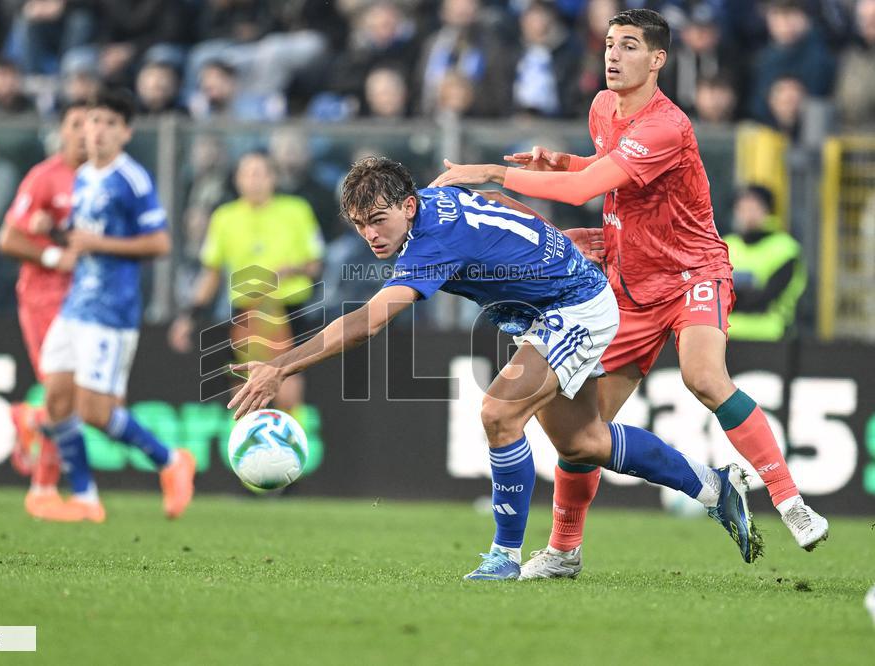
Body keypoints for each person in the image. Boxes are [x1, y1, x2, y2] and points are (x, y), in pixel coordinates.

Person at [428, 8, 826, 579]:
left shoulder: (668, 124)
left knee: (703, 377)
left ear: (658, 59)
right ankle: (565, 550)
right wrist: (561, 161)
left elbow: (588, 188)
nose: (614, 55)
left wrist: (491, 172)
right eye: (611, 44)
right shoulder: (601, 108)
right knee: (582, 436)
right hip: (632, 283)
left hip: (693, 271)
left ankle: (790, 501)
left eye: (630, 45)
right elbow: (604, 170)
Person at [231, 156, 762, 581]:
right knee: (583, 443)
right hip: (552, 301)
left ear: (409, 206)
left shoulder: (432, 242)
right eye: (360, 225)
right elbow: (496, 201)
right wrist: (553, 240)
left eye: (379, 220)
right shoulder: (439, 199)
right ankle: (714, 488)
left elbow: (370, 322)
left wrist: (280, 365)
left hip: (573, 303)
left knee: (498, 413)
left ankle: (502, 558)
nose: (370, 235)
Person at [36, 88, 195, 523]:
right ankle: (85, 499)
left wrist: (96, 243)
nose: (99, 131)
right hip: (76, 304)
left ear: (126, 132)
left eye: (109, 123)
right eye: (93, 121)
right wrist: (54, 232)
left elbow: (160, 242)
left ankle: (170, 460)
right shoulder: (85, 175)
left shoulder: (133, 179)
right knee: (55, 399)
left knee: (95, 412)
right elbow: (81, 238)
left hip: (111, 311)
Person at [169, 151, 324, 417]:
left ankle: (291, 452)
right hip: (247, 310)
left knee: (289, 389)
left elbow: (316, 264)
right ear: (238, 179)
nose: (255, 180)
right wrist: (189, 315)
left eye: (261, 173)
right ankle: (247, 453)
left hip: (289, 308)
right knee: (243, 388)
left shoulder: (296, 210)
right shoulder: (224, 217)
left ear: (273, 177)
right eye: (248, 173)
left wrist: (291, 270)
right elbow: (211, 272)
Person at [0, 100, 88, 518]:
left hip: (86, 300)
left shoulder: (102, 181)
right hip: (44, 298)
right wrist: (52, 257)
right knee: (62, 393)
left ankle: (31, 420)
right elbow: (8, 239)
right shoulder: (45, 177)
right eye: (76, 124)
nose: (87, 132)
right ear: (62, 132)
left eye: (94, 124)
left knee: (79, 398)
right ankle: (44, 490)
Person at [724, 186, 805, 341]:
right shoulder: (726, 245)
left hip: (771, 337)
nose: (748, 214)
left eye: (754, 208)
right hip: (726, 335)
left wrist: (733, 298)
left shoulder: (785, 248)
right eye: (742, 208)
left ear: (768, 211)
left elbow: (767, 297)